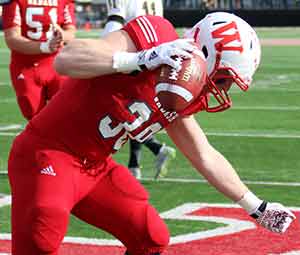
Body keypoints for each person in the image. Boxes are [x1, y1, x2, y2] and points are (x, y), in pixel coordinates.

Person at [8, 12, 295, 255]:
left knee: (151, 237)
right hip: (46, 152)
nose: (220, 89)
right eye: (222, 79)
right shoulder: (157, 37)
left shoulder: (180, 90)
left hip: (95, 168)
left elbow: (203, 153)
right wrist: (142, 59)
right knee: (42, 232)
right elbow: (66, 59)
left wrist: (256, 206)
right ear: (207, 50)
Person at [102, 0, 175, 180]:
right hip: (156, 57)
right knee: (133, 112)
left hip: (133, 57)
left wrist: (100, 52)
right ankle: (136, 164)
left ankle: (154, 151)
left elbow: (113, 27)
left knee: (113, 109)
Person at [2, 0, 76, 121]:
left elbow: (71, 32)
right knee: (36, 119)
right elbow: (12, 37)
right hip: (27, 66)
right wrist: (44, 46)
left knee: (66, 116)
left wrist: (62, 35)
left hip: (57, 64)